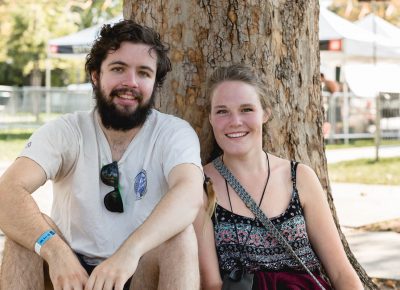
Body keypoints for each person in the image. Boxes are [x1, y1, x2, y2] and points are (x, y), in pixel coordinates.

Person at [0, 20, 203, 290]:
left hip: (138, 268)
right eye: (118, 69)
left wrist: (129, 252)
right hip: (71, 274)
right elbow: (7, 192)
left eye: (143, 73)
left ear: (155, 83)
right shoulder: (67, 130)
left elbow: (190, 194)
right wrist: (54, 250)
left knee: (180, 238)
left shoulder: (173, 132)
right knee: (25, 235)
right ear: (96, 75)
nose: (130, 82)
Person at [193, 64, 363, 289]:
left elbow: (341, 273)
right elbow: (211, 284)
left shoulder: (299, 177)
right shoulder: (200, 184)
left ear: (265, 113)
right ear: (211, 118)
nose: (235, 121)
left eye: (246, 109)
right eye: (222, 111)